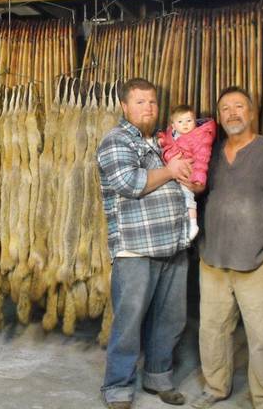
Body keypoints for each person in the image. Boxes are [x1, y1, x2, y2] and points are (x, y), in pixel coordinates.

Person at [192, 86, 263, 409]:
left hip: (258, 264)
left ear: (252, 113)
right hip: (213, 262)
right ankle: (216, 387)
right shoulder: (211, 155)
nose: (232, 113)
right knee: (212, 331)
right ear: (219, 117)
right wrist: (201, 243)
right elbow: (195, 199)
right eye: (225, 108)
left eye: (239, 106)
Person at [96, 78, 197, 409]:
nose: (148, 108)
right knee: (129, 321)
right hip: (136, 250)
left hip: (173, 246)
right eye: (140, 102)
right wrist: (171, 171)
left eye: (152, 102)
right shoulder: (116, 141)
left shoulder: (161, 141)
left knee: (169, 319)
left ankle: (158, 378)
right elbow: (130, 182)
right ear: (124, 106)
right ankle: (118, 387)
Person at [157, 104, 216, 241]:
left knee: (187, 195)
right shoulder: (172, 134)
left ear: (195, 121)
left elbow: (202, 160)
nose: (185, 125)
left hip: (186, 173)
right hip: (171, 172)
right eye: (180, 121)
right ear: (173, 125)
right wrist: (161, 140)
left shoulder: (200, 138)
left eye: (189, 121)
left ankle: (193, 224)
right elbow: (168, 141)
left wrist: (198, 180)